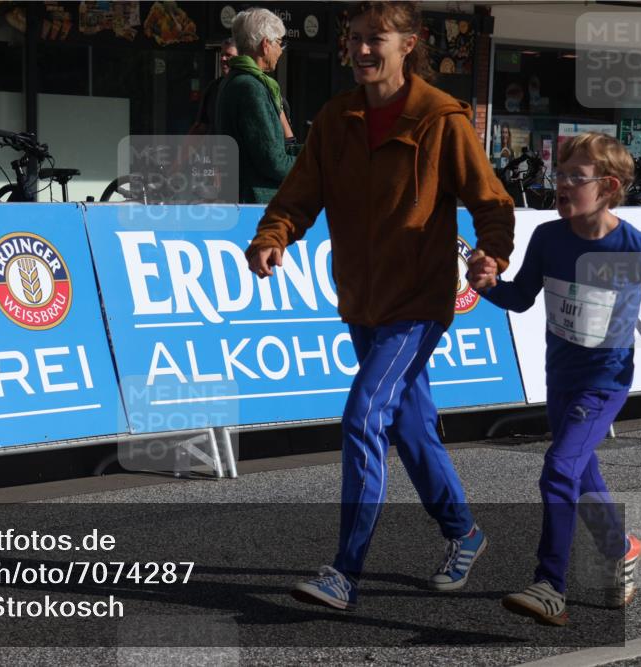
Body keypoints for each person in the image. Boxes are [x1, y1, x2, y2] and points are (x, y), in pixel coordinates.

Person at [245, 1, 515, 611]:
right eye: (355, 39)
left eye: (377, 39)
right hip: (362, 300)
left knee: (364, 416)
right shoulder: (337, 118)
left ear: (409, 43)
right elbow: (298, 196)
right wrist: (271, 238)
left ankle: (345, 571)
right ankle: (464, 532)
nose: (363, 50)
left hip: (417, 302)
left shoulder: (442, 119)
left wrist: (490, 254)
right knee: (412, 427)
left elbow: (491, 202)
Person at [468, 132, 641, 625]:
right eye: (559, 174)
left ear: (608, 187)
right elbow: (520, 297)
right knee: (581, 470)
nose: (561, 185)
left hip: (603, 383)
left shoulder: (634, 248)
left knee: (560, 469)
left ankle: (550, 584)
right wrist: (487, 286)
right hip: (560, 377)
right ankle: (621, 544)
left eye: (575, 178)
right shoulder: (548, 236)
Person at [214, 8, 295, 204]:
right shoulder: (250, 87)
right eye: (279, 43)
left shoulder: (234, 80)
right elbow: (273, 161)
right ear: (265, 44)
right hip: (255, 204)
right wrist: (316, 164)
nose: (281, 51)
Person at [189, 38, 237, 136]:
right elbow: (201, 127)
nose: (223, 58)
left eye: (228, 55)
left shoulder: (251, 87)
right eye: (222, 54)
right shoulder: (213, 88)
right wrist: (184, 151)